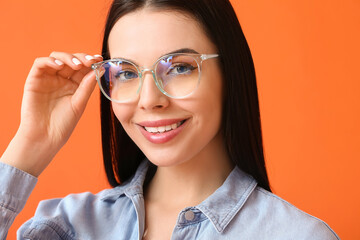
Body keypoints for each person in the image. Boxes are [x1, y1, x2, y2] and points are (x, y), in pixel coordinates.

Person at [0, 0, 340, 239]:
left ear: (229, 73)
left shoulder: (297, 235)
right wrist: (30, 147)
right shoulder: (67, 227)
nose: (149, 100)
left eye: (180, 67)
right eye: (127, 73)